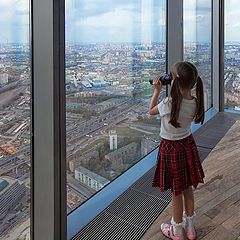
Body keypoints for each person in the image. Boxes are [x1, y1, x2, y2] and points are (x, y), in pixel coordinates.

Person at [149, 61, 205, 240]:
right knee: (188, 187)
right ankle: (190, 228)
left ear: (175, 81)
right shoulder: (195, 102)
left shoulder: (168, 103)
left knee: (176, 192)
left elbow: (151, 111)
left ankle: (177, 230)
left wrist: (157, 90)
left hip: (170, 149)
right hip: (187, 145)